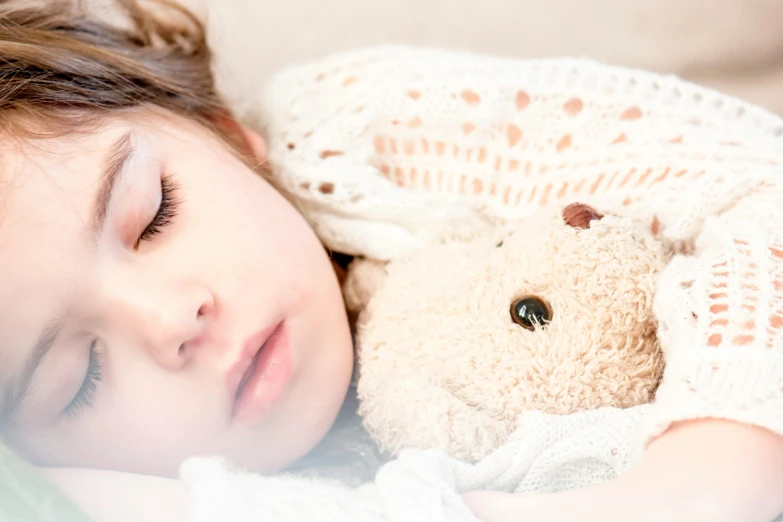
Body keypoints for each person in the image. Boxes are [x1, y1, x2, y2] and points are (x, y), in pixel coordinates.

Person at [1, 1, 783, 521]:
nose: (174, 318)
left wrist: (729, 455)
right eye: (80, 380)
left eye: (155, 215)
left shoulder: (353, 128)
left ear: (222, 131)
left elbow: (753, 177)